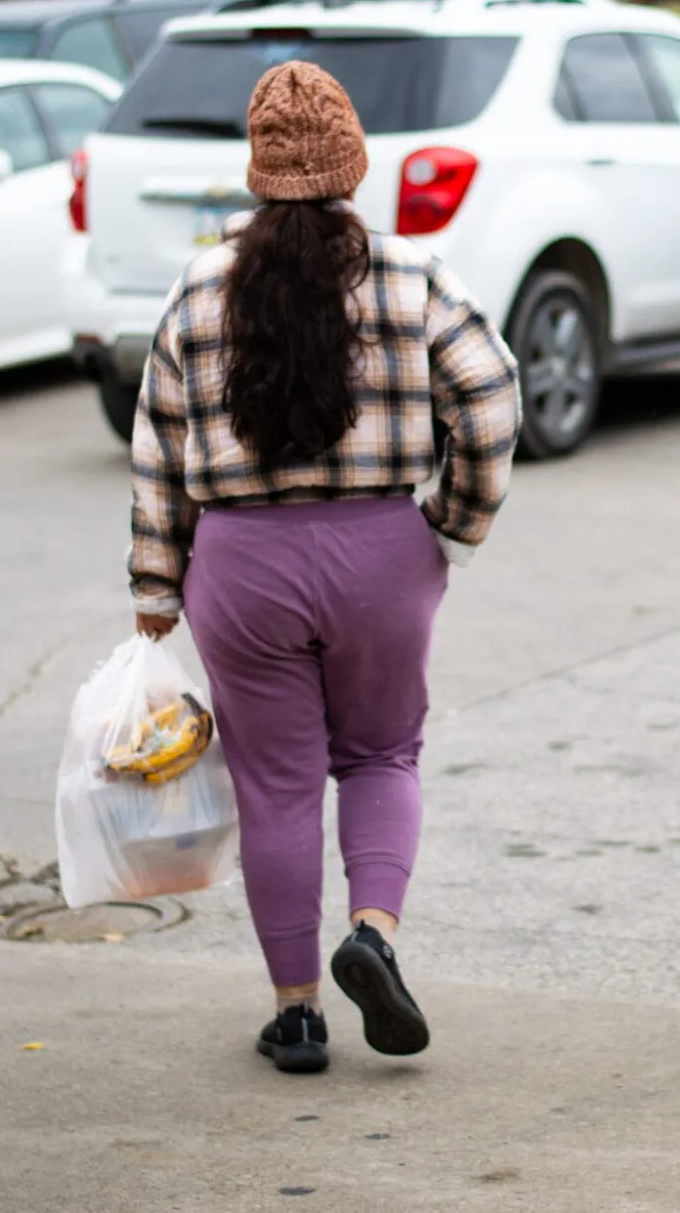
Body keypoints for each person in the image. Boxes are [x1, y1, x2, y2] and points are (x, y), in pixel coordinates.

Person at [128, 62, 521, 1074]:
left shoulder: (199, 285)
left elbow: (159, 443)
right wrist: (454, 520)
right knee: (382, 755)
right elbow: (488, 395)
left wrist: (154, 585)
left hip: (242, 562)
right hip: (379, 553)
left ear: (257, 172)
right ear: (351, 166)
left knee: (276, 786)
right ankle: (374, 934)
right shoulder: (411, 274)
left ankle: (296, 1013)